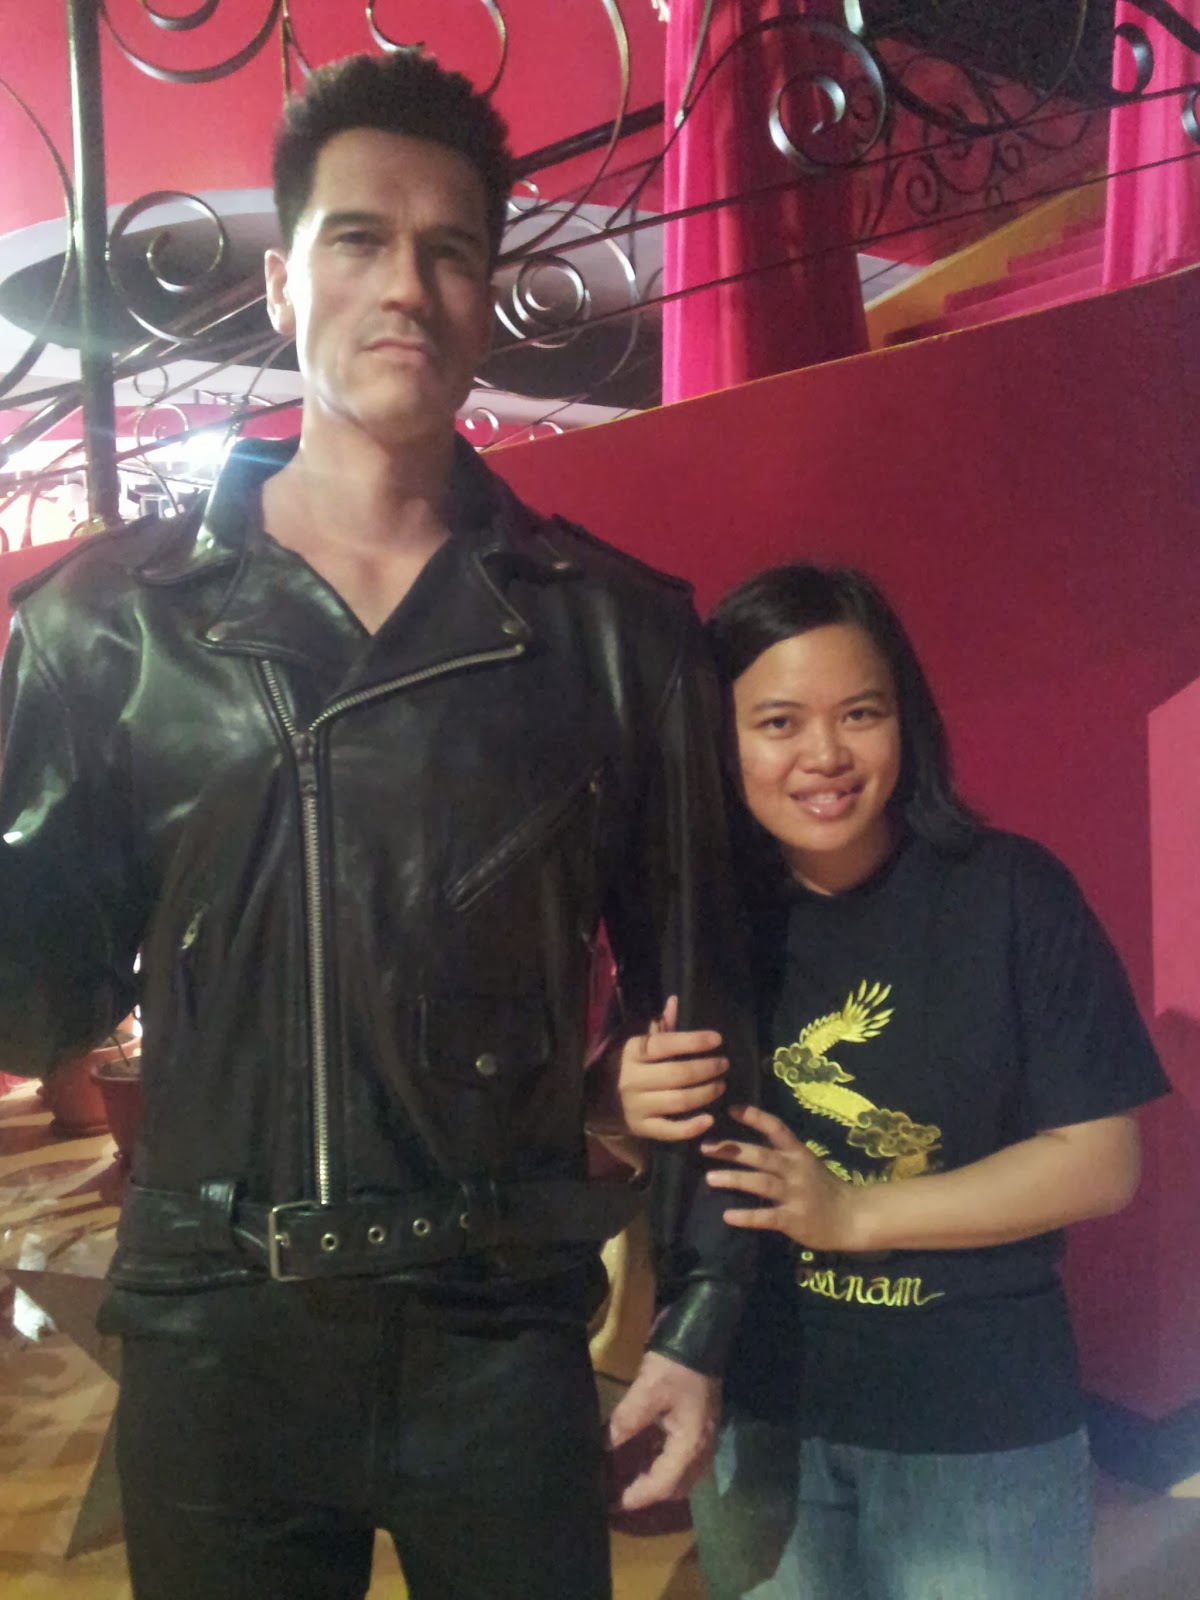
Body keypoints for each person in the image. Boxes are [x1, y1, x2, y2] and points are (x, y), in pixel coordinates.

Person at [0, 52, 754, 1600]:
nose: (406, 284)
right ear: (284, 281)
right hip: (215, 1337)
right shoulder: (106, 631)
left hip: (504, 1333)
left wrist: (697, 1320)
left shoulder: (615, 635)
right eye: (359, 238)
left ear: (487, 296)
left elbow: (704, 1009)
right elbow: (35, 1002)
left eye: (449, 248)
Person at [617, 564, 1169, 1600]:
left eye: (860, 713)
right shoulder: (699, 922)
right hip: (759, 1407)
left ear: (905, 719)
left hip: (979, 1422)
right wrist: (619, 1100)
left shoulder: (1012, 893)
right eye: (778, 722)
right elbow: (630, 1138)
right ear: (719, 741)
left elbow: (1102, 1161)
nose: (825, 754)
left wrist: (856, 1212)